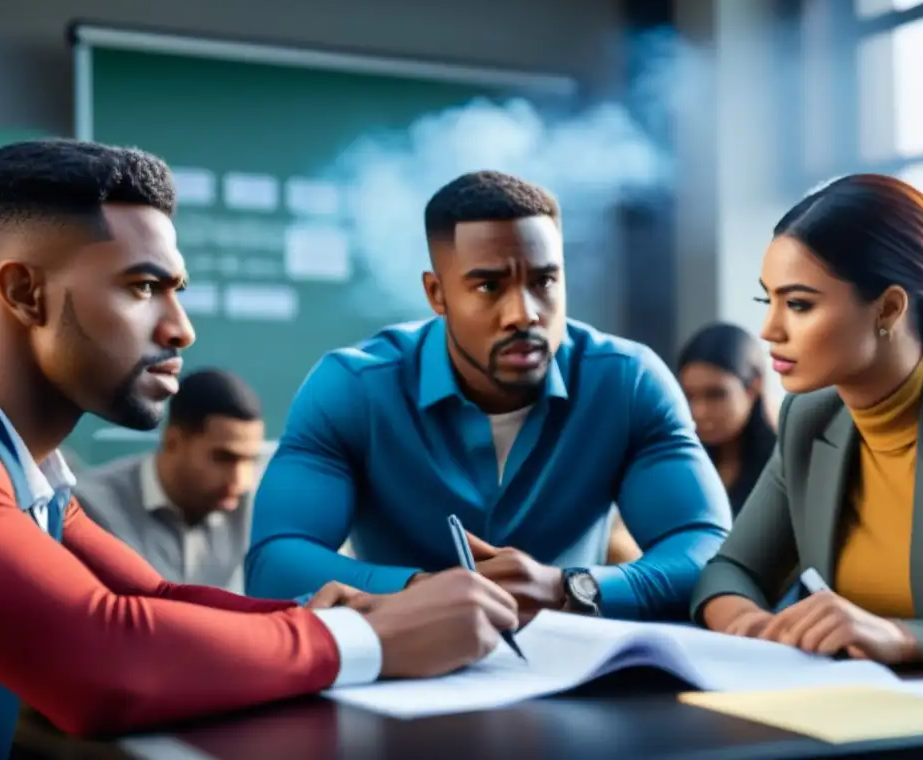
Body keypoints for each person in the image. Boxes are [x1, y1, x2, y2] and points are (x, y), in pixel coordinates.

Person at [0, 140, 518, 760]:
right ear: (26, 294)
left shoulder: (19, 466)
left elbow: (151, 600)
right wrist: (369, 639)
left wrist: (339, 609)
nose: (181, 328)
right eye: (142, 287)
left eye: (177, 289)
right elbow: (103, 661)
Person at [247, 170, 731, 622]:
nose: (523, 314)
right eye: (488, 285)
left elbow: (709, 549)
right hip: (406, 678)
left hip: (577, 677)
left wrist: (575, 587)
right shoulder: (353, 389)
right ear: (437, 295)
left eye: (544, 281)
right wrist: (422, 591)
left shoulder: (628, 381)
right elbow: (275, 561)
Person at [691, 173, 923, 665]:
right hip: (849, 712)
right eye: (767, 300)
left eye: (798, 304)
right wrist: (749, 625)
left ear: (888, 308)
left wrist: (904, 638)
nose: (770, 330)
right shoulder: (811, 416)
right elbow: (731, 569)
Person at [76, 368, 266, 592]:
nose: (241, 481)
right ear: (173, 441)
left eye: (250, 460)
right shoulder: (87, 510)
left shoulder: (253, 506)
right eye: (223, 458)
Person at [677, 323, 777, 515]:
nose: (699, 411)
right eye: (689, 396)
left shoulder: (785, 467)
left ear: (753, 387)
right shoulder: (683, 463)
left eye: (715, 395)